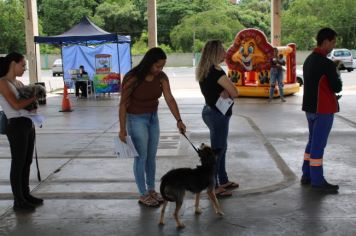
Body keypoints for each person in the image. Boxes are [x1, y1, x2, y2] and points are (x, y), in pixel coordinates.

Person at [119, 47, 186, 207]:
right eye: (157, 66)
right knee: (141, 157)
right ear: (149, 63)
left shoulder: (161, 77)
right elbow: (122, 104)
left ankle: (151, 190)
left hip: (153, 118)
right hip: (135, 119)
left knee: (151, 156)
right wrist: (122, 129)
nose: (159, 70)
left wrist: (179, 120)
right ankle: (143, 194)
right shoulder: (133, 77)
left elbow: (169, 98)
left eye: (162, 66)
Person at [0, 52, 44, 212]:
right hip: (16, 126)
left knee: (27, 162)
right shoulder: (3, 83)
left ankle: (25, 195)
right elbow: (16, 105)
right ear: (13, 64)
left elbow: (25, 104)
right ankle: (18, 201)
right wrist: (34, 97)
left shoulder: (17, 83)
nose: (24, 68)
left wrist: (33, 104)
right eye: (23, 65)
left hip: (27, 123)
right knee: (18, 163)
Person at [301, 27, 342, 193]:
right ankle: (317, 181)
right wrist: (336, 71)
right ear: (326, 42)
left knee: (312, 142)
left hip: (310, 109)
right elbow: (336, 87)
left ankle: (307, 174)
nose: (333, 45)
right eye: (333, 42)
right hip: (323, 109)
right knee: (318, 145)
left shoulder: (309, 60)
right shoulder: (327, 64)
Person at [196, 40, 239, 197]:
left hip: (209, 111)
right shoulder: (217, 72)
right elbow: (235, 92)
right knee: (218, 151)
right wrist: (228, 90)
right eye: (222, 50)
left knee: (222, 148)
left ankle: (223, 180)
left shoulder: (204, 70)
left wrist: (225, 90)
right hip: (218, 115)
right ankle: (213, 186)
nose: (225, 52)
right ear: (214, 53)